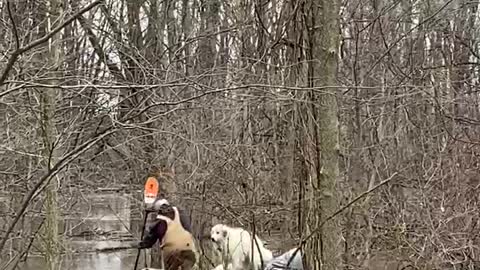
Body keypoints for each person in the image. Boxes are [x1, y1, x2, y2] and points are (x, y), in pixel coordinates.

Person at [137, 199, 197, 270]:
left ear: (158, 211)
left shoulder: (160, 221)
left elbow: (149, 241)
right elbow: (188, 229)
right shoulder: (181, 212)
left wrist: (141, 244)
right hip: (190, 251)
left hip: (172, 254)